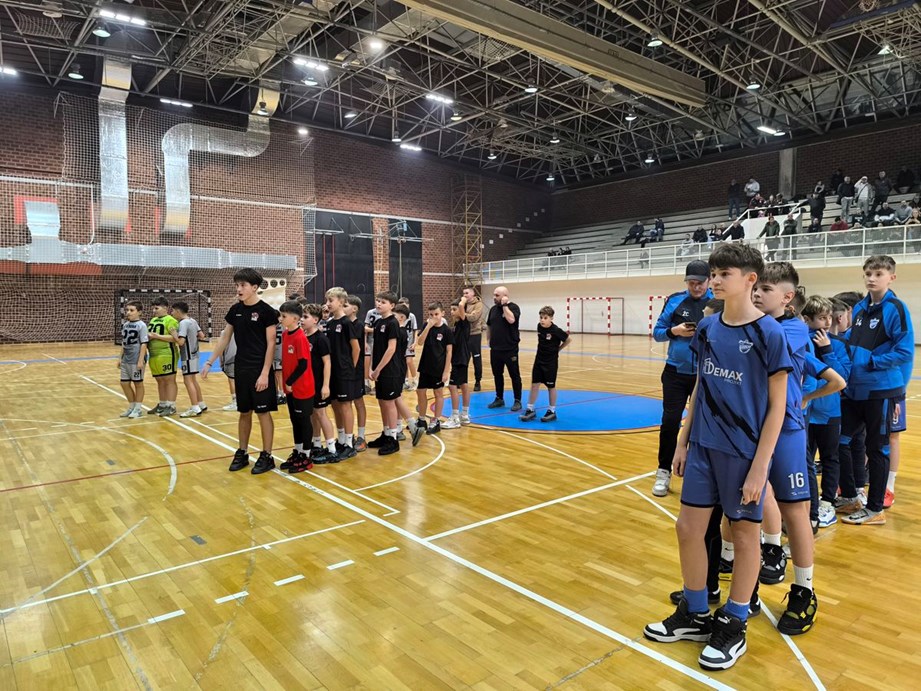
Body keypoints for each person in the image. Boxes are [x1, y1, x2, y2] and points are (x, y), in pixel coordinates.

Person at [643, 243, 790, 671]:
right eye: (714, 273)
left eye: (725, 274)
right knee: (688, 527)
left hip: (744, 452)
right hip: (704, 446)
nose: (715, 280)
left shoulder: (769, 333)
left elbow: (778, 406)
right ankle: (694, 613)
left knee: (744, 536)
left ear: (749, 280)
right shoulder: (707, 328)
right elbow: (701, 386)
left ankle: (735, 622)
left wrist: (761, 467)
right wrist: (683, 441)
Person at [751, 263, 844, 636]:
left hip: (787, 430)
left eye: (766, 289)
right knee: (747, 505)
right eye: (755, 287)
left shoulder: (791, 329)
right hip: (751, 429)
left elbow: (763, 349)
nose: (757, 294)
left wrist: (804, 399)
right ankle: (750, 573)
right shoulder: (753, 324)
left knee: (795, 511)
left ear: (788, 297)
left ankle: (804, 590)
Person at [837, 256, 913, 525]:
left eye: (878, 273)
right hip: (854, 390)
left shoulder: (896, 308)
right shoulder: (859, 308)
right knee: (841, 441)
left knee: (877, 448)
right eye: (868, 273)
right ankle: (850, 496)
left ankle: (875, 508)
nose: (871, 278)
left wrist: (871, 362)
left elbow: (904, 351)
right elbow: (849, 341)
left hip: (880, 390)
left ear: (891, 277)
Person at [201, 268, 279, 474]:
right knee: (244, 412)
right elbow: (225, 337)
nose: (239, 289)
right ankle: (242, 452)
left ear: (255, 287)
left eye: (243, 285)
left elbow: (271, 344)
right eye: (237, 285)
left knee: (263, 413)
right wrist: (209, 361)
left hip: (260, 369)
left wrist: (265, 373)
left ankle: (267, 455)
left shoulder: (267, 312)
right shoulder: (235, 310)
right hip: (241, 368)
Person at [651, 260, 713, 497]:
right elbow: (657, 333)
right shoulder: (674, 300)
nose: (695, 287)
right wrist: (674, 331)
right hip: (675, 373)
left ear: (709, 281)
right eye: (691, 283)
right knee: (670, 422)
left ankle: (698, 473)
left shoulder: (718, 303)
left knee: (702, 425)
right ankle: (663, 471)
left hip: (706, 375)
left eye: (700, 283)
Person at [801, 296, 851, 528]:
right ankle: (807, 502)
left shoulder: (837, 344)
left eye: (829, 317)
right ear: (807, 319)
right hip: (807, 413)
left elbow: (844, 378)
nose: (827, 322)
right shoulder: (802, 341)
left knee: (830, 458)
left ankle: (828, 501)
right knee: (806, 461)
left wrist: (828, 350)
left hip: (829, 412)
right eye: (821, 318)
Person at [277, 300, 315, 474]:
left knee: (303, 421)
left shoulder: (300, 337)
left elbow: (303, 364)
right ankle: (298, 451)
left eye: (283, 316)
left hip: (302, 387)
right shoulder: (286, 334)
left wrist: (290, 381)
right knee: (294, 420)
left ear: (294, 318)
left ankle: (306, 455)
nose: (281, 319)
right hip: (290, 387)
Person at [325, 286, 361, 461]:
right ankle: (340, 440)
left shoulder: (346, 323)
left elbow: (356, 348)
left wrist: (350, 368)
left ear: (341, 302)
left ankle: (349, 443)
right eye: (327, 300)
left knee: (346, 405)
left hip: (344, 372)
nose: (327, 304)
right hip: (331, 372)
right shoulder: (329, 323)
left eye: (330, 300)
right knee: (335, 405)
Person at [519, 306, 570, 423]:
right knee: (534, 384)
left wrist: (558, 349)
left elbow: (568, 339)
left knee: (551, 386)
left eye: (545, 318)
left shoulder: (556, 330)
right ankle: (530, 409)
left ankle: (552, 411)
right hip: (539, 361)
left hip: (550, 363)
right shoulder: (539, 327)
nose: (542, 320)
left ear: (551, 318)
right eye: (541, 317)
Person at [367, 291, 403, 456]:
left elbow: (391, 349)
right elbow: (376, 347)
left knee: (389, 403)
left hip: (390, 370)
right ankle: (386, 433)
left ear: (392, 305)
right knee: (382, 402)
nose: (379, 304)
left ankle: (393, 439)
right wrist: (371, 368)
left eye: (383, 302)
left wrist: (378, 369)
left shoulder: (393, 323)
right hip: (379, 369)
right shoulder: (378, 322)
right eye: (378, 301)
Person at [302, 303, 338, 464]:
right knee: (313, 414)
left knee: (321, 414)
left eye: (305, 317)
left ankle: (332, 449)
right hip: (307, 383)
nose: (302, 320)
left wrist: (325, 385)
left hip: (318, 382)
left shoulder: (321, 339)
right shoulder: (304, 337)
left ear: (315, 320)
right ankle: (316, 444)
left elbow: (327, 362)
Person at [415, 302, 454, 435]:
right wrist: (428, 326)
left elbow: (449, 352)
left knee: (438, 393)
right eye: (431, 315)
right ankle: (421, 419)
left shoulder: (447, 331)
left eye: (436, 314)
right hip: (425, 365)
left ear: (442, 313)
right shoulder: (426, 326)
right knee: (420, 391)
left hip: (438, 367)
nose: (434, 317)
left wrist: (446, 371)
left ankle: (436, 420)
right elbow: (420, 342)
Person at [392, 304, 427, 447]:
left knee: (396, 397)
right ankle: (399, 428)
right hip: (398, 367)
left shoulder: (399, 332)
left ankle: (411, 426)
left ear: (401, 317)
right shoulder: (399, 331)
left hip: (396, 368)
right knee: (396, 397)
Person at [486, 286, 523, 411]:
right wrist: (488, 339)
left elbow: (511, 320)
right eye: (494, 295)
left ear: (505, 296)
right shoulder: (492, 310)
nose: (494, 297)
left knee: (514, 375)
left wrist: (505, 306)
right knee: (497, 374)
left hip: (510, 349)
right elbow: (489, 325)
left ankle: (517, 400)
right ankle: (499, 398)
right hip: (495, 349)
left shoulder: (514, 307)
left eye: (497, 295)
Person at [171, 301, 208, 418]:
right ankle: (200, 403)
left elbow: (181, 342)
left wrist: (174, 334)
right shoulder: (193, 321)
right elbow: (202, 336)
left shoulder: (183, 323)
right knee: (193, 380)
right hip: (195, 354)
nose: (172, 313)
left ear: (178, 311)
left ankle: (195, 407)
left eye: (173, 311)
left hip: (187, 356)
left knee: (188, 381)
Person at [146, 296, 180, 417]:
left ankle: (171, 406)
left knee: (169, 380)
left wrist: (157, 336)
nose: (154, 311)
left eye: (156, 308)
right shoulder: (153, 320)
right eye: (153, 308)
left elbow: (176, 338)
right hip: (154, 355)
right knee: (159, 380)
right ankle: (162, 404)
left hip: (167, 353)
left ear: (165, 308)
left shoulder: (171, 320)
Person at [443, 297, 472, 429]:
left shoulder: (464, 323)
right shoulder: (455, 326)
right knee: (464, 385)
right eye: (451, 309)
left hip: (460, 358)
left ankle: (455, 417)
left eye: (454, 309)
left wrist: (464, 299)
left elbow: (461, 306)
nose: (452, 312)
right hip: (460, 358)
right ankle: (464, 415)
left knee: (452, 386)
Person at [118, 300, 148, 419]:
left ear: (139, 312)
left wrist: (140, 360)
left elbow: (144, 343)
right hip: (126, 358)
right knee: (124, 383)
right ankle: (131, 406)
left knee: (138, 383)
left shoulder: (142, 325)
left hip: (136, 358)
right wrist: (120, 358)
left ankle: (138, 408)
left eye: (132, 310)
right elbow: (124, 342)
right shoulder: (125, 325)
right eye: (127, 310)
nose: (128, 312)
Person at [346, 295, 369, 452]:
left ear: (354, 309)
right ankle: (347, 436)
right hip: (346, 369)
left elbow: (358, 349)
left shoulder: (358, 325)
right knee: (346, 403)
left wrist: (353, 368)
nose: (343, 308)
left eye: (346, 305)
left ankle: (361, 436)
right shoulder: (344, 323)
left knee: (358, 401)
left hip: (356, 369)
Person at [462, 286, 485, 391]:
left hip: (475, 334)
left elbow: (473, 317)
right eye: (464, 293)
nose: (465, 295)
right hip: (464, 335)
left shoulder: (478, 304)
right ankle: (462, 380)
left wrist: (462, 313)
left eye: (467, 293)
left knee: (476, 359)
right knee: (463, 359)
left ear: (472, 294)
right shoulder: (463, 304)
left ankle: (477, 381)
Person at [398, 297, 419, 391]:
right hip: (401, 342)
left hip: (409, 343)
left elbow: (415, 330)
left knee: (409, 361)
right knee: (403, 362)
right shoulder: (397, 316)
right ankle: (405, 381)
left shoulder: (411, 316)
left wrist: (415, 342)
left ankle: (415, 380)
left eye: (405, 306)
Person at [362, 303, 382, 394]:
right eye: (378, 300)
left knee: (378, 361)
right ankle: (366, 382)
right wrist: (365, 342)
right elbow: (365, 328)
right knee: (367, 360)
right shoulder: (370, 312)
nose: (378, 303)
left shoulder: (388, 316)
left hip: (380, 341)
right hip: (370, 341)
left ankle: (378, 384)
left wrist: (372, 330)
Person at [218, 325, 238, 411]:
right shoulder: (244, 330)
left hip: (231, 359)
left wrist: (221, 361)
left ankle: (235, 402)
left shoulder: (225, 333)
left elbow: (220, 348)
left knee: (232, 380)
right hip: (243, 359)